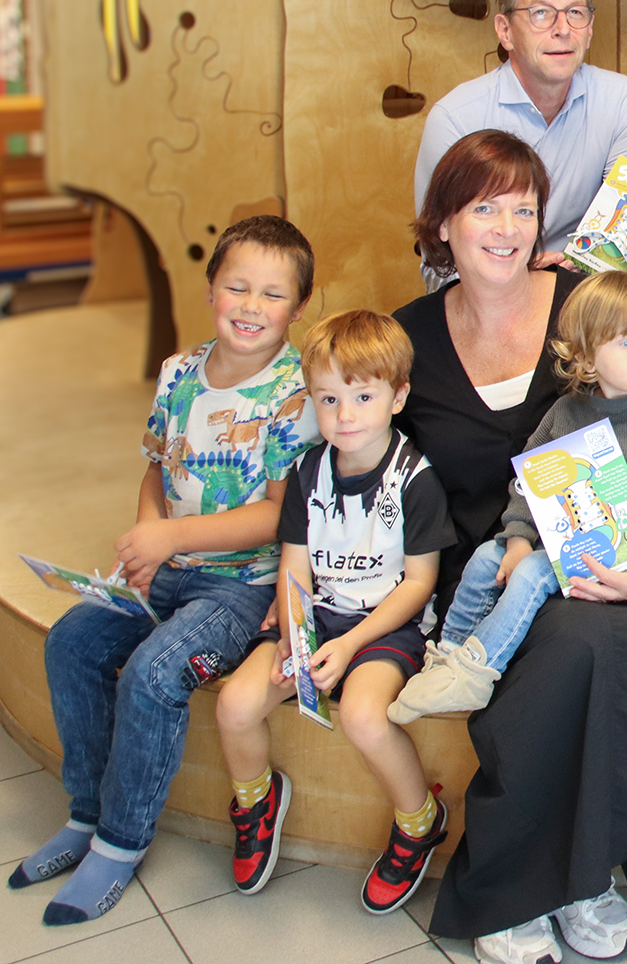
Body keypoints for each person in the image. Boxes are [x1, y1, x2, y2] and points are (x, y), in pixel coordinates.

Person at [394, 129, 627, 963]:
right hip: (504, 564)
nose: (504, 226)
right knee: (570, 653)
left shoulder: (593, 301)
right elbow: (366, 456)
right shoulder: (411, 337)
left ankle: (591, 876)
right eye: (482, 207)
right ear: (443, 224)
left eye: (524, 209)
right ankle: (513, 886)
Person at [15, 217, 320, 926]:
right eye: (237, 286)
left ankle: (120, 844)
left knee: (156, 672)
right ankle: (87, 815)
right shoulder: (179, 372)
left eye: (272, 294)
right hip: (165, 568)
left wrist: (172, 537)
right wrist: (148, 539)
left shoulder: (296, 393)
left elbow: (281, 515)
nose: (250, 305)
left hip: (241, 586)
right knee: (71, 642)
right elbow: (156, 468)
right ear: (211, 286)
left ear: (299, 307)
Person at [390, 271, 627, 730]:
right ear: (584, 355)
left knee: (532, 572)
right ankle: (449, 654)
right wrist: (519, 534)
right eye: (626, 342)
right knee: (490, 556)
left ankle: (479, 668)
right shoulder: (568, 411)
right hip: (568, 541)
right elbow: (529, 481)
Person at [213, 309, 453, 913]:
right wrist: (296, 637)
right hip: (317, 620)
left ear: (398, 397)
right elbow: (294, 568)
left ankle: (419, 820)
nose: (344, 416)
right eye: (328, 399)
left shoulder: (415, 479)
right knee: (236, 703)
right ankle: (254, 800)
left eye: (362, 396)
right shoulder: (306, 472)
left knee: (365, 718)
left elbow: (419, 584)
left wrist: (348, 646)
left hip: (386, 628)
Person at [412, 0, 627, 321]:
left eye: (575, 13)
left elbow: (620, 236)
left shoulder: (618, 97)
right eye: (541, 13)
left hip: (587, 277)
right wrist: (514, 273)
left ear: (590, 28)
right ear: (505, 31)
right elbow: (438, 259)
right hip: (492, 276)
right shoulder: (456, 118)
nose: (562, 30)